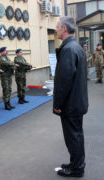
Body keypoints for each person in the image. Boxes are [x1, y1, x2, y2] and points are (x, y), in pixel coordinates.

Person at [53, 16, 88, 177]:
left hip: (70, 104)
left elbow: (64, 81)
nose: (56, 29)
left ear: (64, 29)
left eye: (58, 26)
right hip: (77, 101)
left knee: (73, 137)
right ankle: (76, 163)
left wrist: (57, 104)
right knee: (76, 136)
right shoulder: (77, 47)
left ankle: (77, 168)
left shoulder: (68, 49)